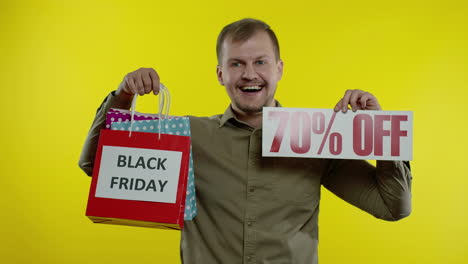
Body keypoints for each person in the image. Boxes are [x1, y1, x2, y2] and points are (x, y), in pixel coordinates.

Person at [79, 18, 411, 264]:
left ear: (279, 69)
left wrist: (378, 132)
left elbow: (392, 206)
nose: (249, 74)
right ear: (221, 74)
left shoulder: (317, 138)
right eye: (236, 63)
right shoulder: (186, 136)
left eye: (260, 62)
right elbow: (95, 165)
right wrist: (122, 96)